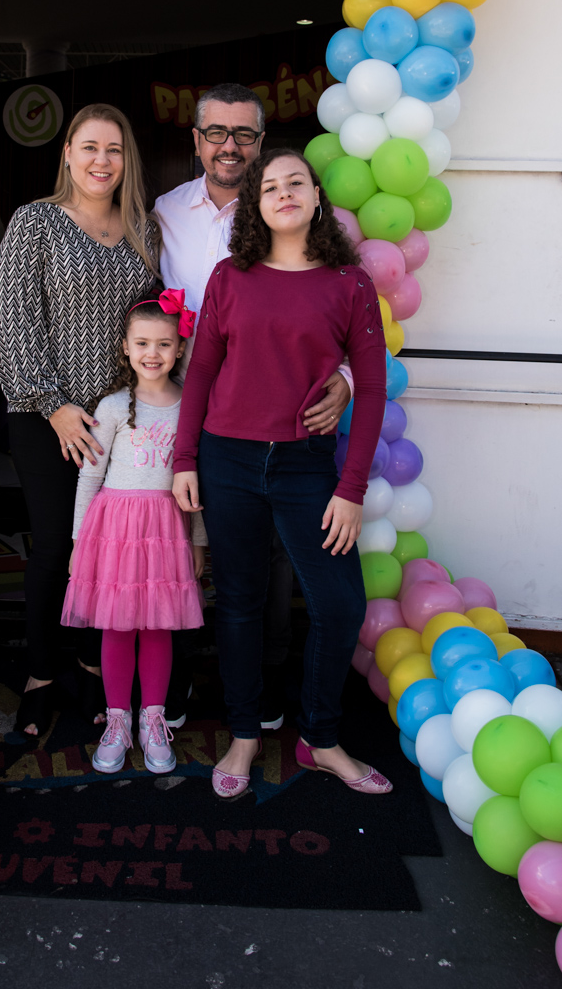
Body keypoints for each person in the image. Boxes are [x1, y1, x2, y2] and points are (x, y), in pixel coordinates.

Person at [173, 148, 391, 801]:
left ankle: (319, 739)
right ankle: (244, 732)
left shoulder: (348, 283)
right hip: (227, 460)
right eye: (269, 186)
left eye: (295, 182)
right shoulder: (228, 277)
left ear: (316, 197)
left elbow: (372, 389)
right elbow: (202, 372)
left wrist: (349, 490)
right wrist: (184, 459)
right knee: (237, 602)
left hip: (304, 467)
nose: (283, 192)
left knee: (338, 603)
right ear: (256, 205)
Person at [153, 83, 353, 728]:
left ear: (262, 145)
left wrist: (345, 375)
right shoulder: (162, 212)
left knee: (270, 555)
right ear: (196, 141)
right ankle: (177, 679)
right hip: (183, 390)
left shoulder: (293, 212)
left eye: (243, 135)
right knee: (180, 539)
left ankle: (264, 684)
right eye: (216, 133)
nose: (229, 146)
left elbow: (331, 311)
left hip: (278, 402)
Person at [0, 103, 159, 738]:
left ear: (126, 159)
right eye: (89, 147)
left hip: (122, 421)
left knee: (106, 549)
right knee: (55, 545)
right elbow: (11, 321)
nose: (101, 161)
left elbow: (156, 326)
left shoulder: (146, 230)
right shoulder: (35, 222)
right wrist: (56, 406)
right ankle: (39, 673)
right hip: (46, 416)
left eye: (113, 150)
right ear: (67, 153)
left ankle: (92, 666)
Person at [61, 290, 206, 775]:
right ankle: (118, 720)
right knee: (118, 625)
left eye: (164, 344)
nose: (152, 354)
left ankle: (153, 718)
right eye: (142, 342)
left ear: (179, 348)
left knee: (158, 626)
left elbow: (195, 480)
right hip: (116, 533)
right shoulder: (113, 405)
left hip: (166, 529)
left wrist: (200, 538)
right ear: (125, 346)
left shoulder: (191, 405)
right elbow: (89, 476)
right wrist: (81, 542)